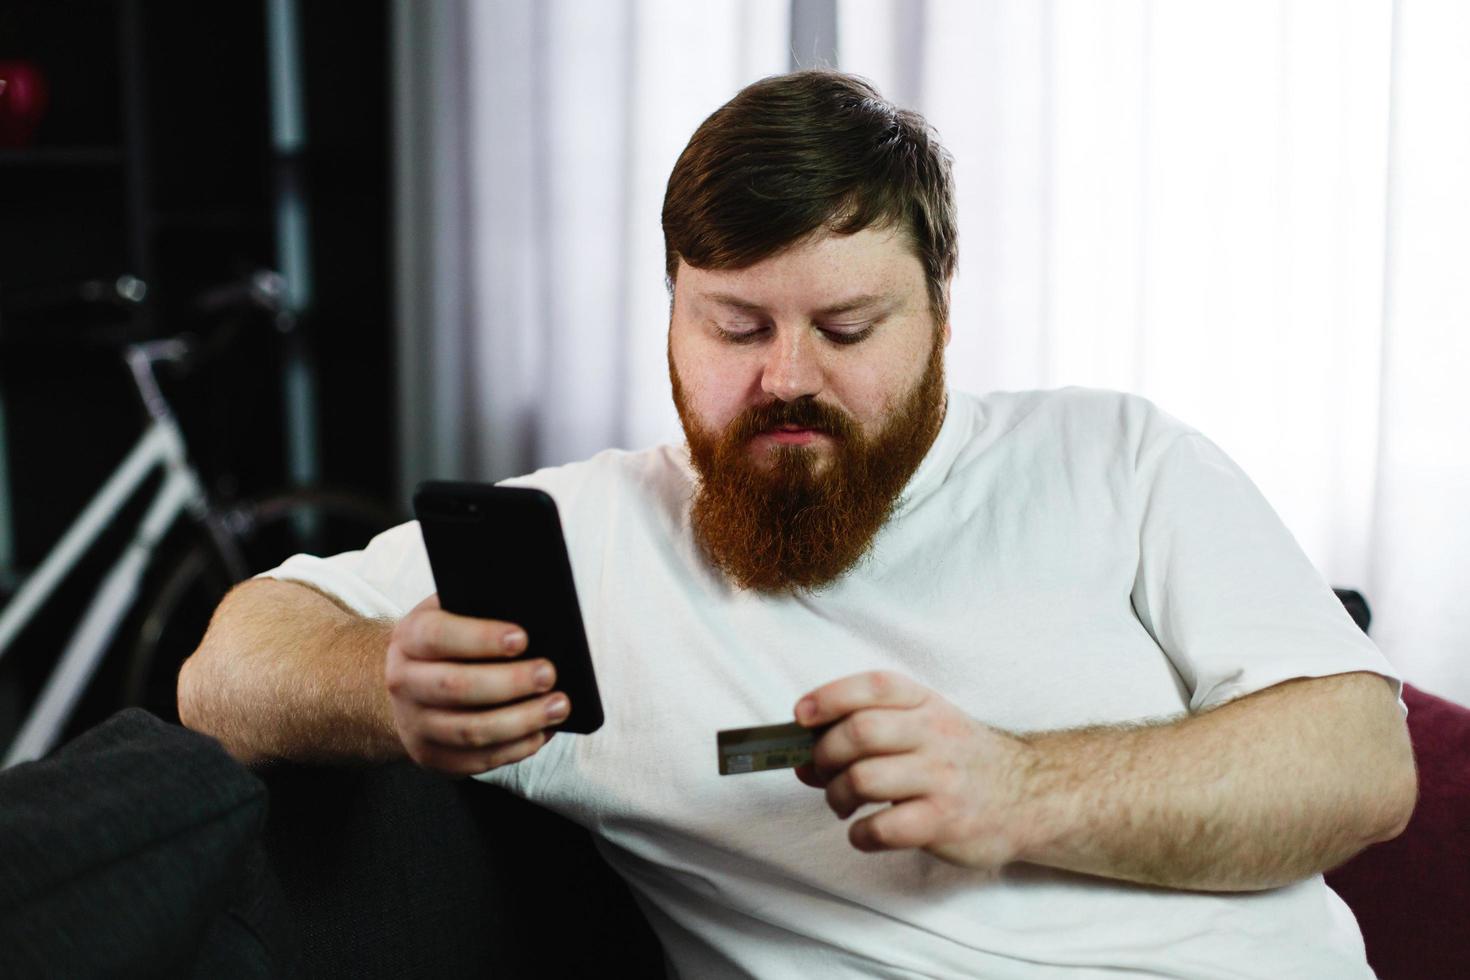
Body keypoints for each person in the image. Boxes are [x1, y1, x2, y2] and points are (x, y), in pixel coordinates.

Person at [179, 70, 1416, 978]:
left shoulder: (1120, 457)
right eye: (735, 326)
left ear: (938, 304)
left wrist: (1019, 787)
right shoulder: (590, 537)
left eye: (845, 327)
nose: (785, 379)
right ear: (670, 312)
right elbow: (228, 663)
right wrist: (380, 681)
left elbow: (1364, 764)